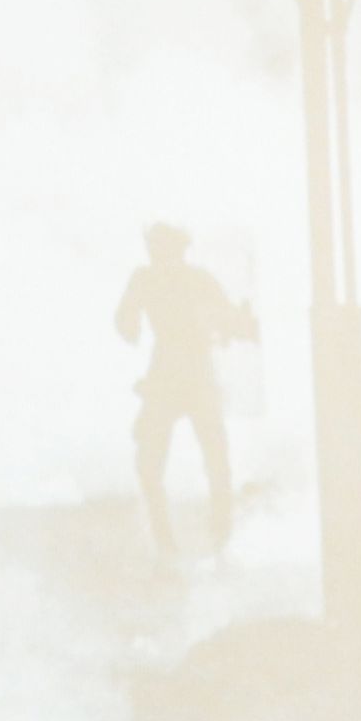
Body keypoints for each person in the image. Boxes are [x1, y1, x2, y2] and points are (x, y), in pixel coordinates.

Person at [115, 223, 258, 556]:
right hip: (186, 375)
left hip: (176, 375)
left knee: (178, 460)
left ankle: (198, 535)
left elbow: (125, 321)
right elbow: (230, 322)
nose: (158, 255)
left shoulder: (160, 279)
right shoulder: (180, 279)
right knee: (205, 457)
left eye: (160, 247)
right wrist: (238, 324)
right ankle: (207, 534)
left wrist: (236, 323)